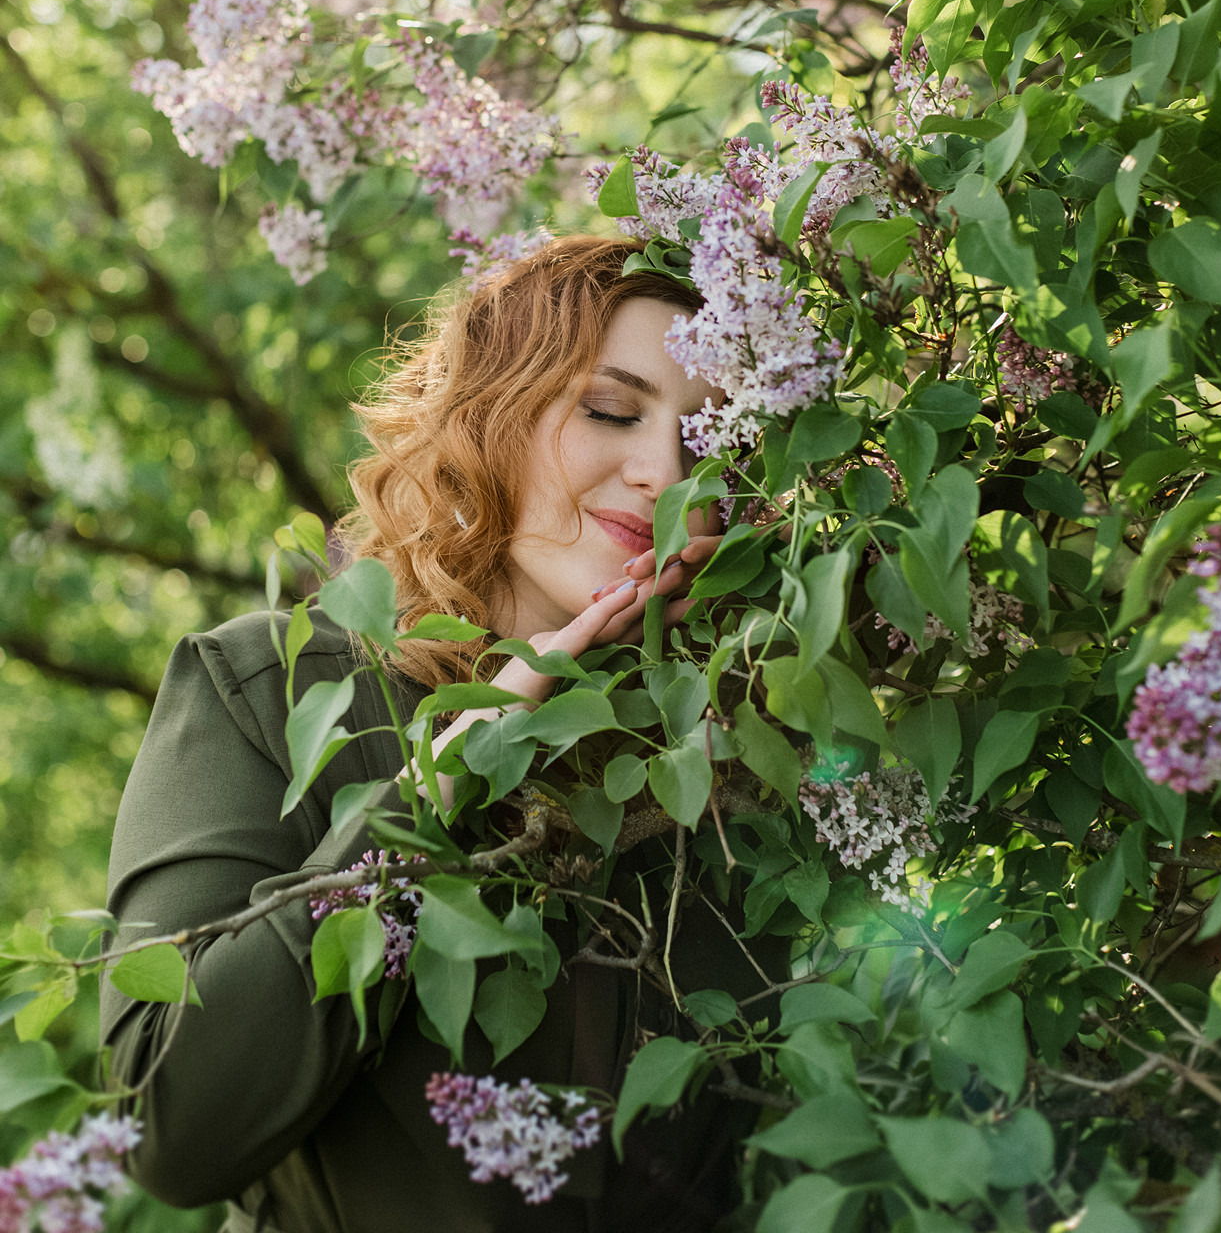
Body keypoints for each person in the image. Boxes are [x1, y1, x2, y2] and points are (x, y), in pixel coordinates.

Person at [102, 237, 771, 1233]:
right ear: (488, 418)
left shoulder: (729, 760)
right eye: (609, 411)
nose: (663, 470)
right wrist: (444, 785)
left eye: (710, 437)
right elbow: (168, 1129)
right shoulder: (270, 690)